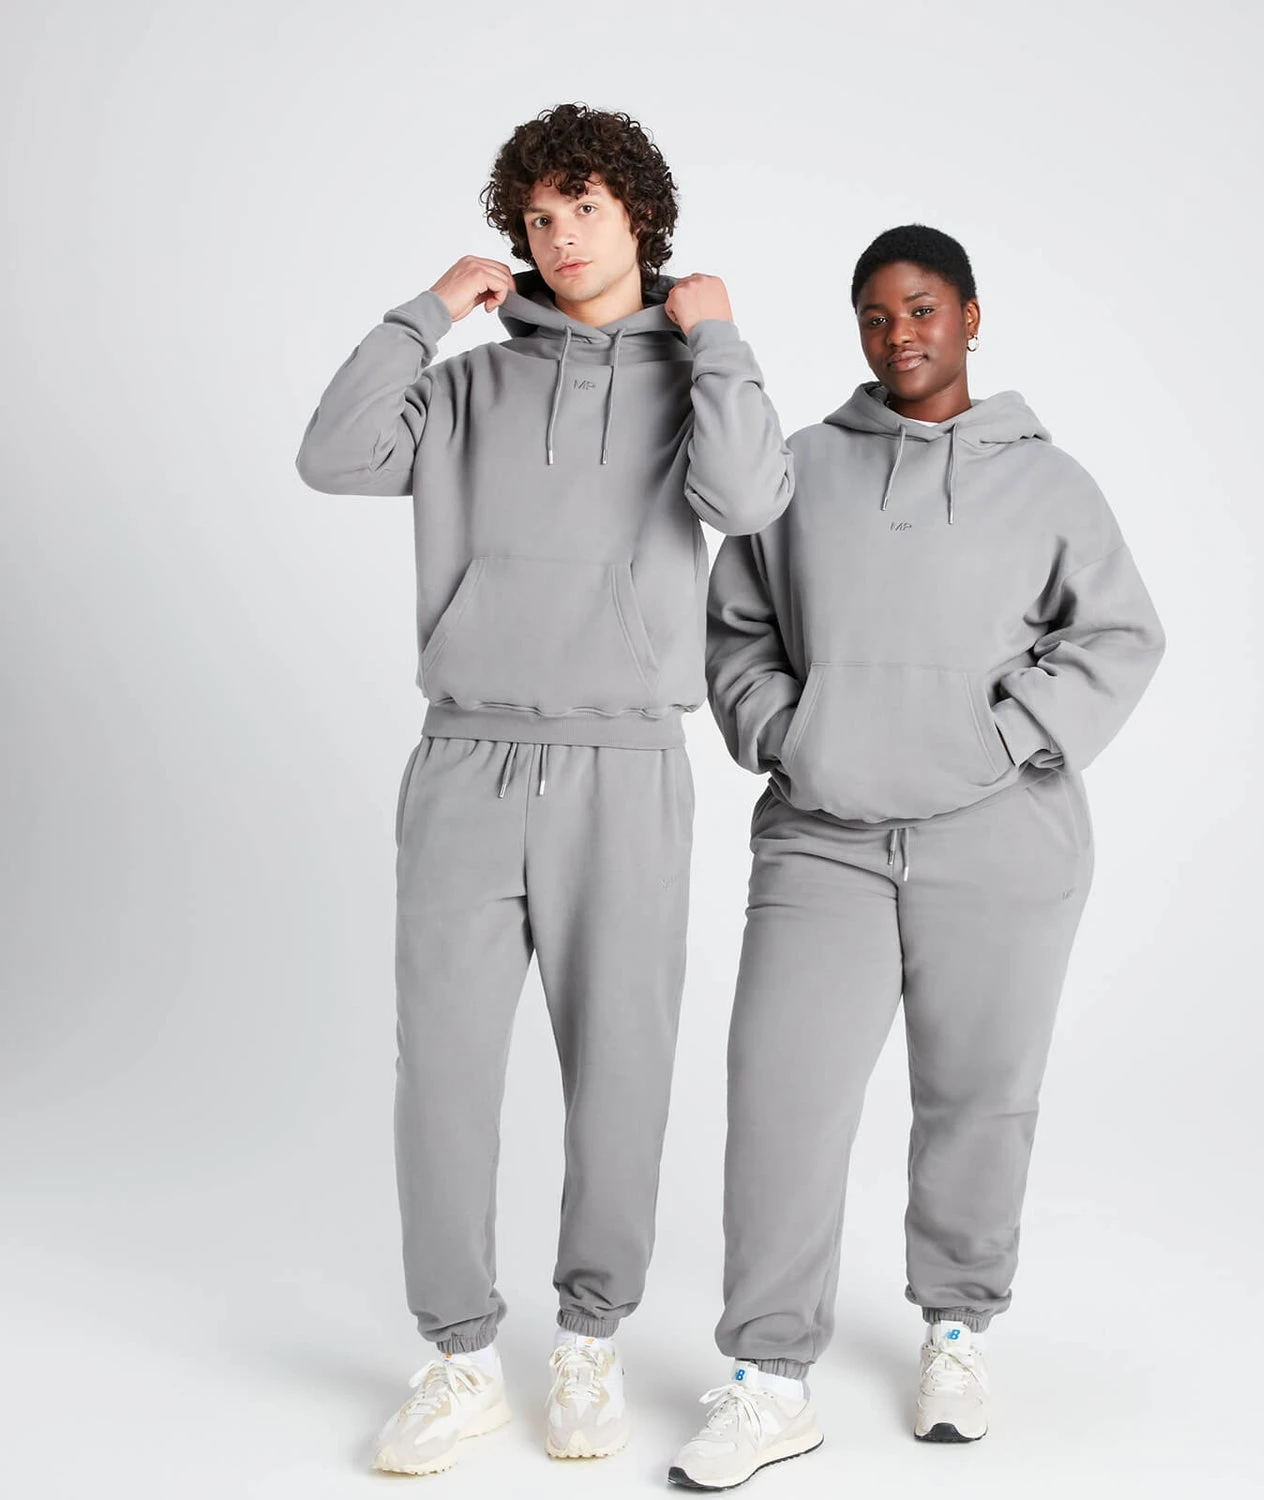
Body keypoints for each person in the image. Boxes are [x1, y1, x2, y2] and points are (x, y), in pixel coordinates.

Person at [294, 102, 793, 1476]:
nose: (558, 236)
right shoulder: (466, 387)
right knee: (444, 1076)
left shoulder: (697, 381)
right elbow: (332, 454)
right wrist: (423, 314)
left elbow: (750, 497)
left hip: (625, 763)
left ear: (640, 216)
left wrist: (719, 337)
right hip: (465, 757)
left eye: (583, 207)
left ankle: (590, 1344)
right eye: (536, 217)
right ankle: (459, 1360)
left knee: (621, 1071)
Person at [667, 224, 1167, 1490]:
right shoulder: (799, 467)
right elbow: (736, 630)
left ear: (971, 316)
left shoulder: (1050, 484)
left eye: (925, 308)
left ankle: (957, 1327)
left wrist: (1004, 736)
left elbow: (1119, 634)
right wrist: (788, 734)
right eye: (878, 315)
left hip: (999, 839)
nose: (902, 334)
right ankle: (769, 1378)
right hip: (824, 839)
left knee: (977, 1095)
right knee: (780, 1097)